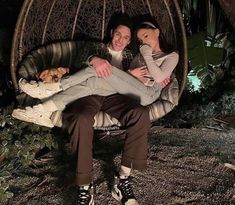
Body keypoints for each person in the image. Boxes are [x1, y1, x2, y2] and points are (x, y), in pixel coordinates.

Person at [14, 13, 151, 205]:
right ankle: (85, 188)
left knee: (140, 114)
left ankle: (123, 182)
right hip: (89, 94)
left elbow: (142, 80)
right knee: (80, 118)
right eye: (117, 34)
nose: (120, 40)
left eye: (126, 37)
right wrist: (94, 59)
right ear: (111, 33)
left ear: (130, 40)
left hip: (115, 97)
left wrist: (153, 79)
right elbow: (82, 58)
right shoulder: (96, 47)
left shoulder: (131, 58)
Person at [12, 19, 179, 128]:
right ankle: (43, 110)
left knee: (102, 68)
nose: (144, 42)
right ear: (112, 33)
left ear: (157, 33)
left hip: (143, 94)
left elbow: (158, 76)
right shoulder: (129, 54)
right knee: (94, 80)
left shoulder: (164, 55)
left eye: (146, 37)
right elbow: (125, 78)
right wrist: (96, 59)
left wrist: (152, 61)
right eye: (141, 40)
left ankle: (53, 87)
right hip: (117, 89)